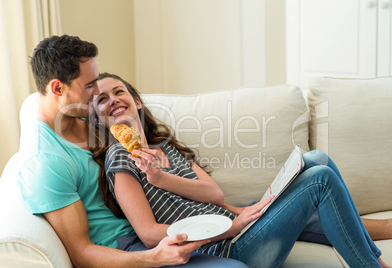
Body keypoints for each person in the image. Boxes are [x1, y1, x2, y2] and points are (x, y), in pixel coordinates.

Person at [90, 72, 392, 268]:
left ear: (137, 102)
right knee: (320, 180)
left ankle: (374, 260)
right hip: (227, 248)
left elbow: (213, 194)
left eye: (119, 92)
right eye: (102, 100)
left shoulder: (165, 146)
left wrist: (162, 178)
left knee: (316, 160)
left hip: (238, 228)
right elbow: (149, 233)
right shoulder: (120, 158)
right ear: (97, 118)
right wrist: (231, 228)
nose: (113, 100)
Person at [18, 35, 248, 268]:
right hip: (130, 250)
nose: (97, 91)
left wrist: (233, 211)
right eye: (90, 86)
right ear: (57, 88)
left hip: (162, 230)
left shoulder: (92, 121)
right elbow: (81, 252)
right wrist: (154, 257)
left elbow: (178, 192)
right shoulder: (46, 163)